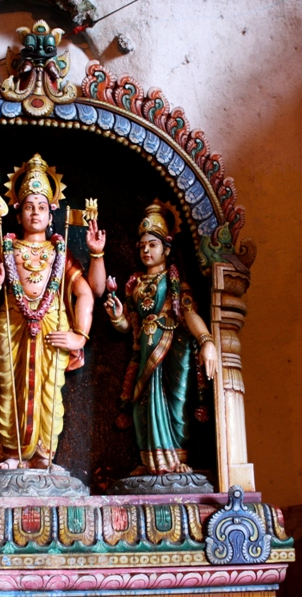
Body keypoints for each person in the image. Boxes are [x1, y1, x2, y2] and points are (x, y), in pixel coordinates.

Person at [0, 154, 105, 470]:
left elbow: (88, 292)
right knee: (10, 391)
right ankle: (13, 454)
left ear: (52, 212)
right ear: (18, 212)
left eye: (41, 206)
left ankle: (44, 456)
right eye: (29, 206)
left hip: (54, 328)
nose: (35, 212)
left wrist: (80, 336)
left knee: (49, 394)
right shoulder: (7, 248)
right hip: (10, 325)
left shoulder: (60, 251)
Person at [104, 202, 217, 475]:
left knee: (176, 404)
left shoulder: (175, 282)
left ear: (166, 249)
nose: (145, 250)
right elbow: (129, 327)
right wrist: (117, 316)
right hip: (144, 351)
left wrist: (206, 341)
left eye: (152, 245)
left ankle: (176, 460)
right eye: (141, 245)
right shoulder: (135, 285)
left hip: (173, 351)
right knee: (141, 406)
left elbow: (188, 314)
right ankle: (149, 462)